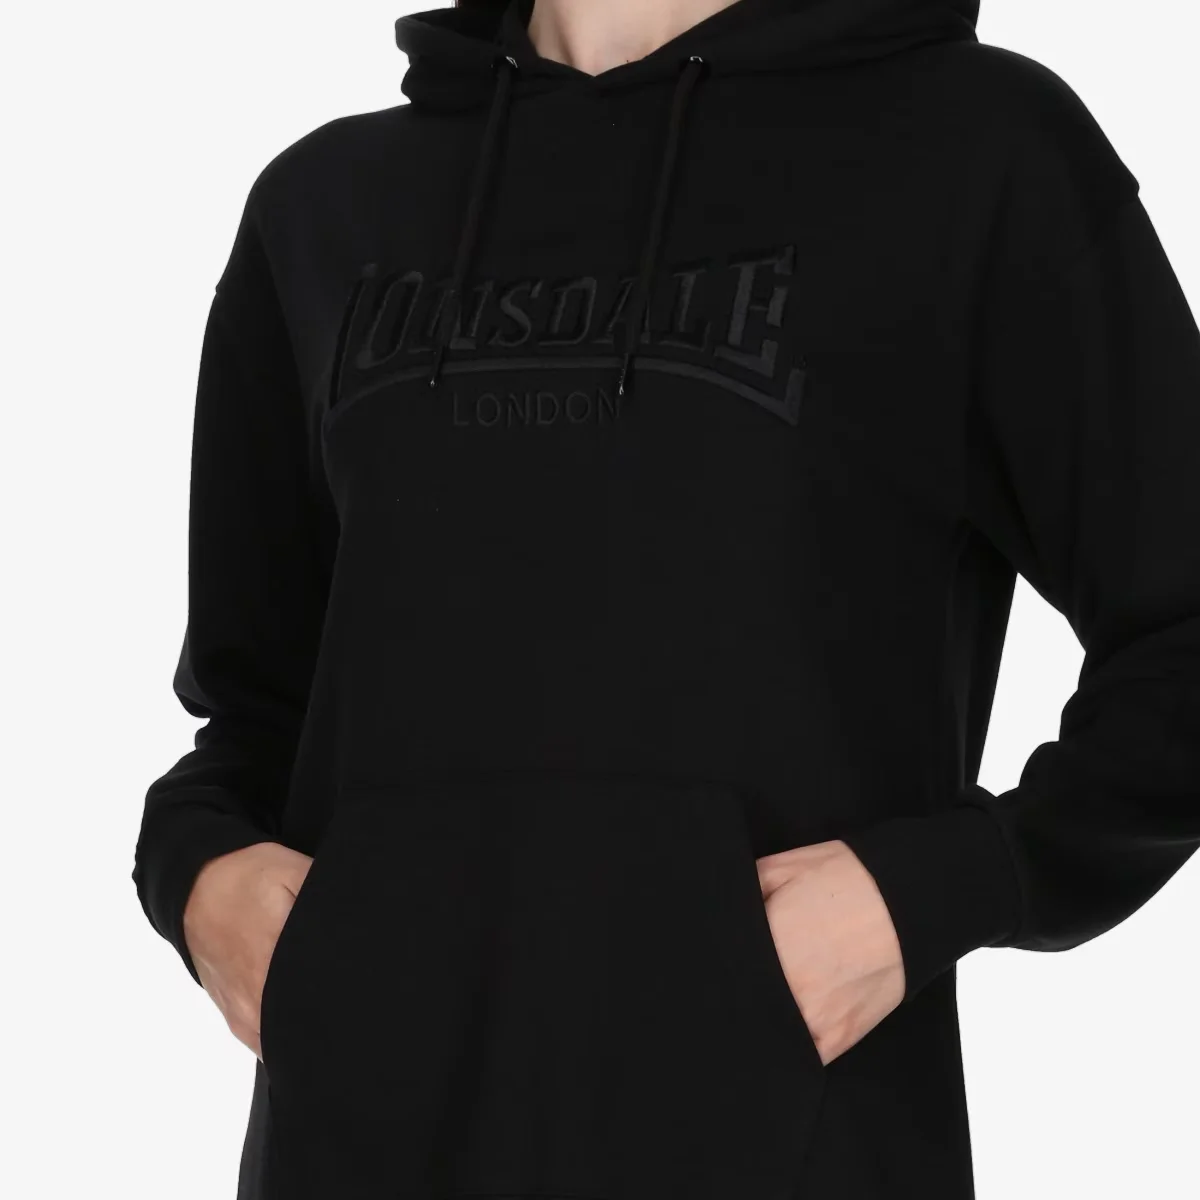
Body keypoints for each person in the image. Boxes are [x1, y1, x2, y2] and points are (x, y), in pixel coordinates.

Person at [131, 0, 1200, 1197]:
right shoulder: (324, 206)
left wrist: (941, 889)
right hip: (360, 1149)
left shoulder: (977, 149)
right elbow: (254, 715)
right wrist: (197, 873)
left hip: (791, 1152)